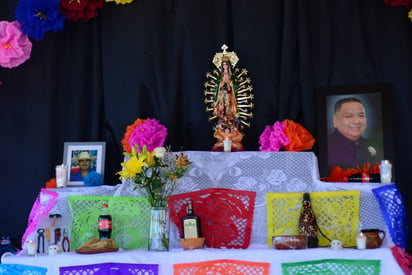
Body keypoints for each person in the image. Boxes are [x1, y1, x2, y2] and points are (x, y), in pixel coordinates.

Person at [328, 97, 383, 169]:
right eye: (349, 116)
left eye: (361, 116)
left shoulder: (373, 146)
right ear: (335, 120)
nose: (357, 121)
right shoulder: (328, 146)